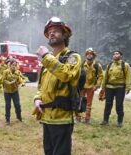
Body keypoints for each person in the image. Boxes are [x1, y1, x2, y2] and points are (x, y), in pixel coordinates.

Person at [33, 16, 81, 155]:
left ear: (65, 34)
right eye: (50, 32)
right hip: (46, 118)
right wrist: (37, 99)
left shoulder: (73, 57)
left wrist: (46, 57)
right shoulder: (47, 63)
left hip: (62, 119)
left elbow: (66, 75)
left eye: (56, 31)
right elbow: (41, 87)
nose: (52, 33)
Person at [100, 50, 131, 128]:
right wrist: (103, 88)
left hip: (120, 88)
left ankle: (119, 122)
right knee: (108, 104)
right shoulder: (110, 65)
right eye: (114, 54)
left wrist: (128, 87)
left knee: (119, 105)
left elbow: (128, 77)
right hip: (109, 87)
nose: (115, 55)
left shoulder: (125, 65)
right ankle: (105, 120)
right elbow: (105, 77)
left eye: (117, 54)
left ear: (121, 56)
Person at [76, 48, 103, 123]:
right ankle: (78, 117)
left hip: (91, 87)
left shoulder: (97, 65)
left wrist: (97, 86)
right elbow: (77, 74)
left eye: (91, 54)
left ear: (93, 55)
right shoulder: (82, 64)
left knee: (89, 103)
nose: (89, 55)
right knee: (79, 101)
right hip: (81, 87)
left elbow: (100, 76)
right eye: (87, 54)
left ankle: (87, 118)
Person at [3, 58, 25, 125]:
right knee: (8, 105)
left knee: (17, 105)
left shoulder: (18, 72)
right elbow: (3, 80)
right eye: (13, 65)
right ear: (10, 65)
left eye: (15, 65)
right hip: (7, 91)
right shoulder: (6, 72)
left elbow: (21, 80)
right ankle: (7, 120)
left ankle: (19, 117)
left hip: (15, 91)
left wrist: (22, 84)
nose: (14, 66)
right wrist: (9, 83)